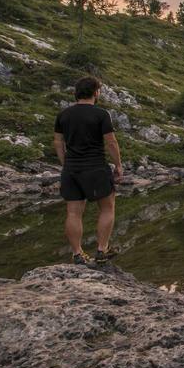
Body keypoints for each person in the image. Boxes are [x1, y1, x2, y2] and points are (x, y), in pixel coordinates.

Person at [53, 76, 123, 264]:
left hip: (71, 169)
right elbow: (111, 142)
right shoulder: (101, 114)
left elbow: (58, 142)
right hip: (96, 168)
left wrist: (65, 163)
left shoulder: (63, 115)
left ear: (77, 93)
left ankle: (77, 254)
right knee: (107, 208)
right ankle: (102, 250)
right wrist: (118, 165)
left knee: (73, 212)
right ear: (96, 92)